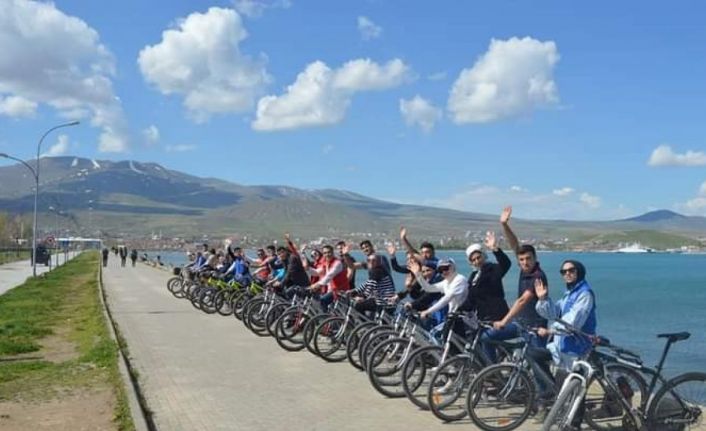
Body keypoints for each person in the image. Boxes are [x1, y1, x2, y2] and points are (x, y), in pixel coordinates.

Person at [534, 260, 597, 429]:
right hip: (562, 348)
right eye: (563, 271)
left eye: (571, 270)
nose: (567, 274)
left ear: (580, 272)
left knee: (577, 392)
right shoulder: (568, 294)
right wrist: (543, 299)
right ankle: (556, 397)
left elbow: (573, 322)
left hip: (578, 349)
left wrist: (550, 331)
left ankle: (574, 425)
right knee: (534, 355)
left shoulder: (585, 294)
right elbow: (553, 314)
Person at [489, 206, 548, 351]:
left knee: (538, 364)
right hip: (520, 323)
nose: (525, 262)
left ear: (535, 258)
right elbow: (515, 245)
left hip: (535, 327)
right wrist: (504, 225)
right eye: (521, 260)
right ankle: (494, 372)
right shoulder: (524, 269)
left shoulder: (538, 275)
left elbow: (522, 301)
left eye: (528, 259)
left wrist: (504, 321)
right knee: (487, 337)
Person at [460, 231, 513, 361]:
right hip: (483, 320)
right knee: (476, 340)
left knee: (487, 340)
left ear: (484, 256)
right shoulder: (473, 277)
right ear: (470, 262)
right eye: (473, 260)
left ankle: (492, 371)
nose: (477, 261)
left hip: (498, 316)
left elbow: (506, 264)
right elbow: (471, 300)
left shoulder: (493, 269)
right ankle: (489, 369)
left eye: (479, 257)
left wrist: (495, 249)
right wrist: (457, 311)